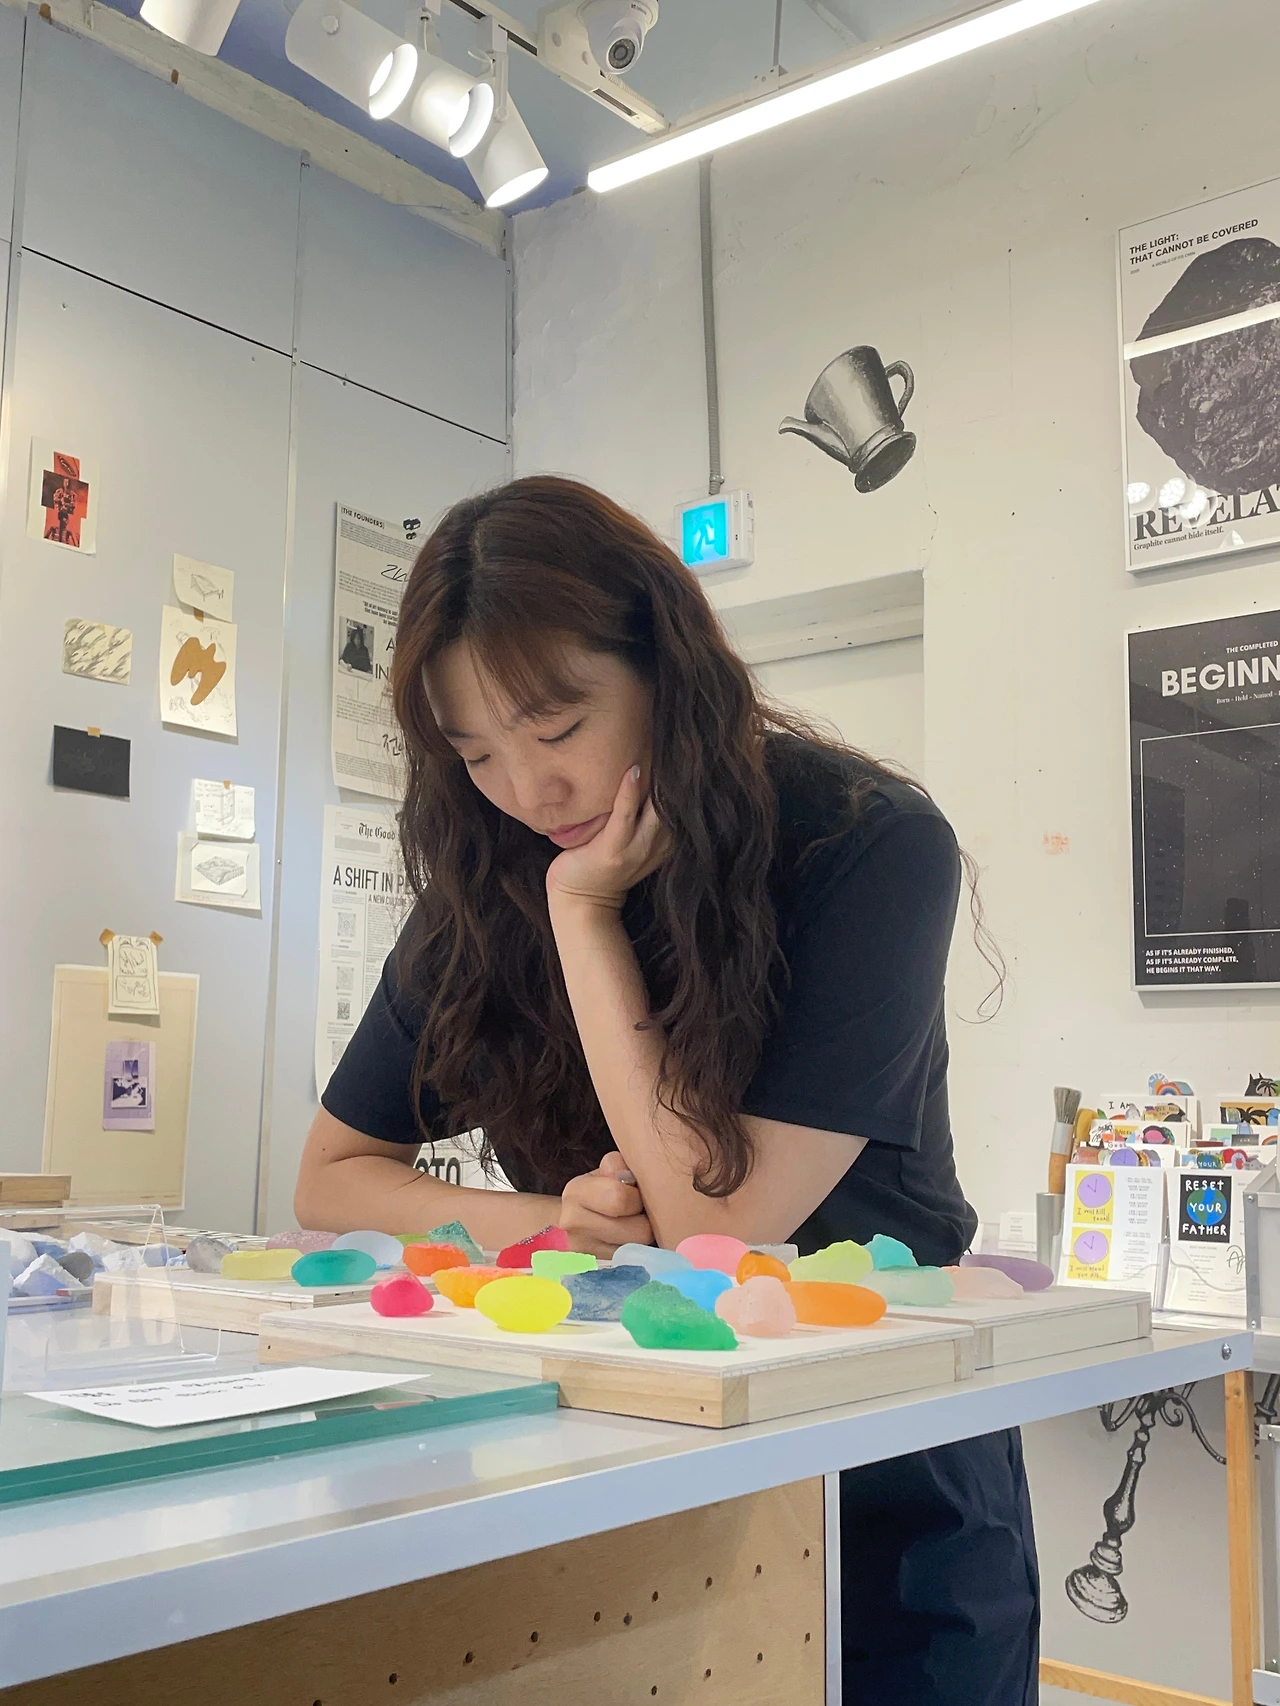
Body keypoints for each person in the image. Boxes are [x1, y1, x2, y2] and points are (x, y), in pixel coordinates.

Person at [295, 475, 1038, 1705]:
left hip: (876, 1452)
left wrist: (586, 917)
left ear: (662, 662)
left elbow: (712, 1224)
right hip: (617, 1452)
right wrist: (555, 1224)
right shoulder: (486, 883)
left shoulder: (858, 841)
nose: (527, 790)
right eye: (474, 753)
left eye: (555, 727)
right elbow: (331, 1177)